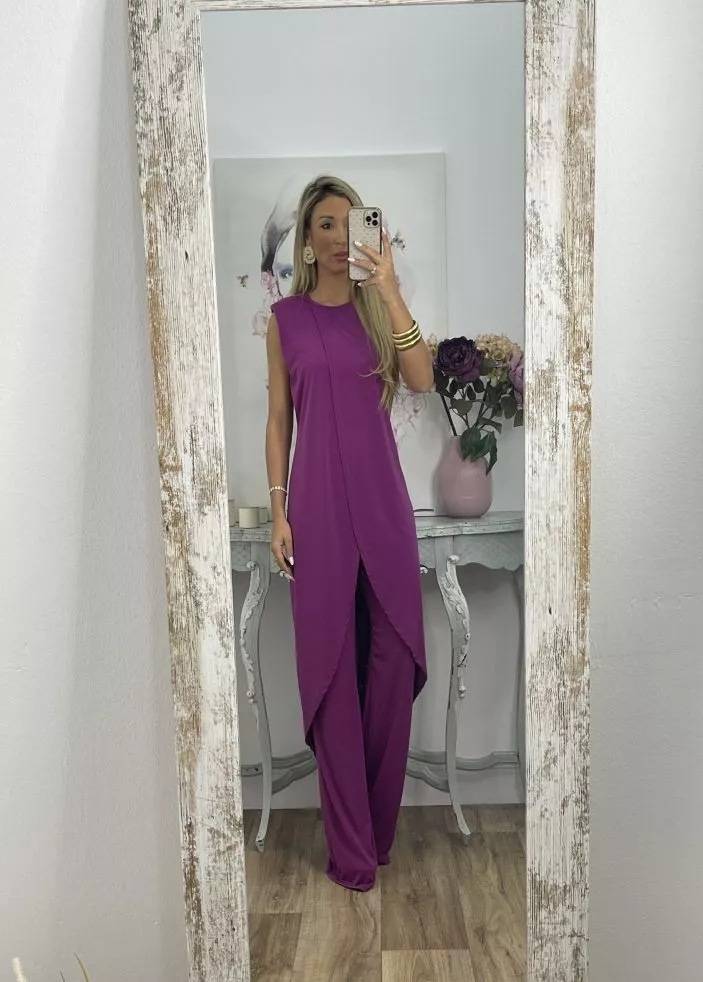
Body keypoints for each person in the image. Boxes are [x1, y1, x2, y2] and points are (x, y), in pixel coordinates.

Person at [264, 174, 433, 891]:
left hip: (383, 504)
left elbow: (421, 379)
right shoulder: (285, 319)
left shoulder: (376, 310)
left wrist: (389, 289)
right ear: (306, 241)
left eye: (350, 223)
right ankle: (350, 849)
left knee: (392, 660)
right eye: (325, 226)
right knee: (331, 670)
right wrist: (278, 509)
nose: (339, 238)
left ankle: (376, 829)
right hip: (316, 508)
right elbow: (279, 417)